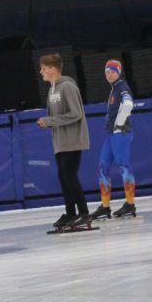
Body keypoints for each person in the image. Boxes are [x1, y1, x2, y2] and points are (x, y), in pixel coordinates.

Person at [36, 53, 91, 231]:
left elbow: (76, 114)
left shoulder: (67, 86)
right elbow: (56, 116)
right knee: (63, 177)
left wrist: (50, 121)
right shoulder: (52, 89)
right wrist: (47, 122)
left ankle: (84, 213)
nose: (41, 72)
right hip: (59, 141)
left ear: (52, 69)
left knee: (70, 176)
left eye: (43, 68)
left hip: (72, 140)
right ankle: (71, 213)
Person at [91, 59, 137, 220]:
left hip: (121, 133)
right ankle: (105, 206)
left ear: (118, 72)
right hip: (113, 134)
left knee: (123, 166)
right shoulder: (115, 88)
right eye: (107, 72)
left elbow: (129, 104)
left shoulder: (122, 87)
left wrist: (119, 123)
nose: (109, 74)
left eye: (112, 71)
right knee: (102, 167)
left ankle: (130, 204)